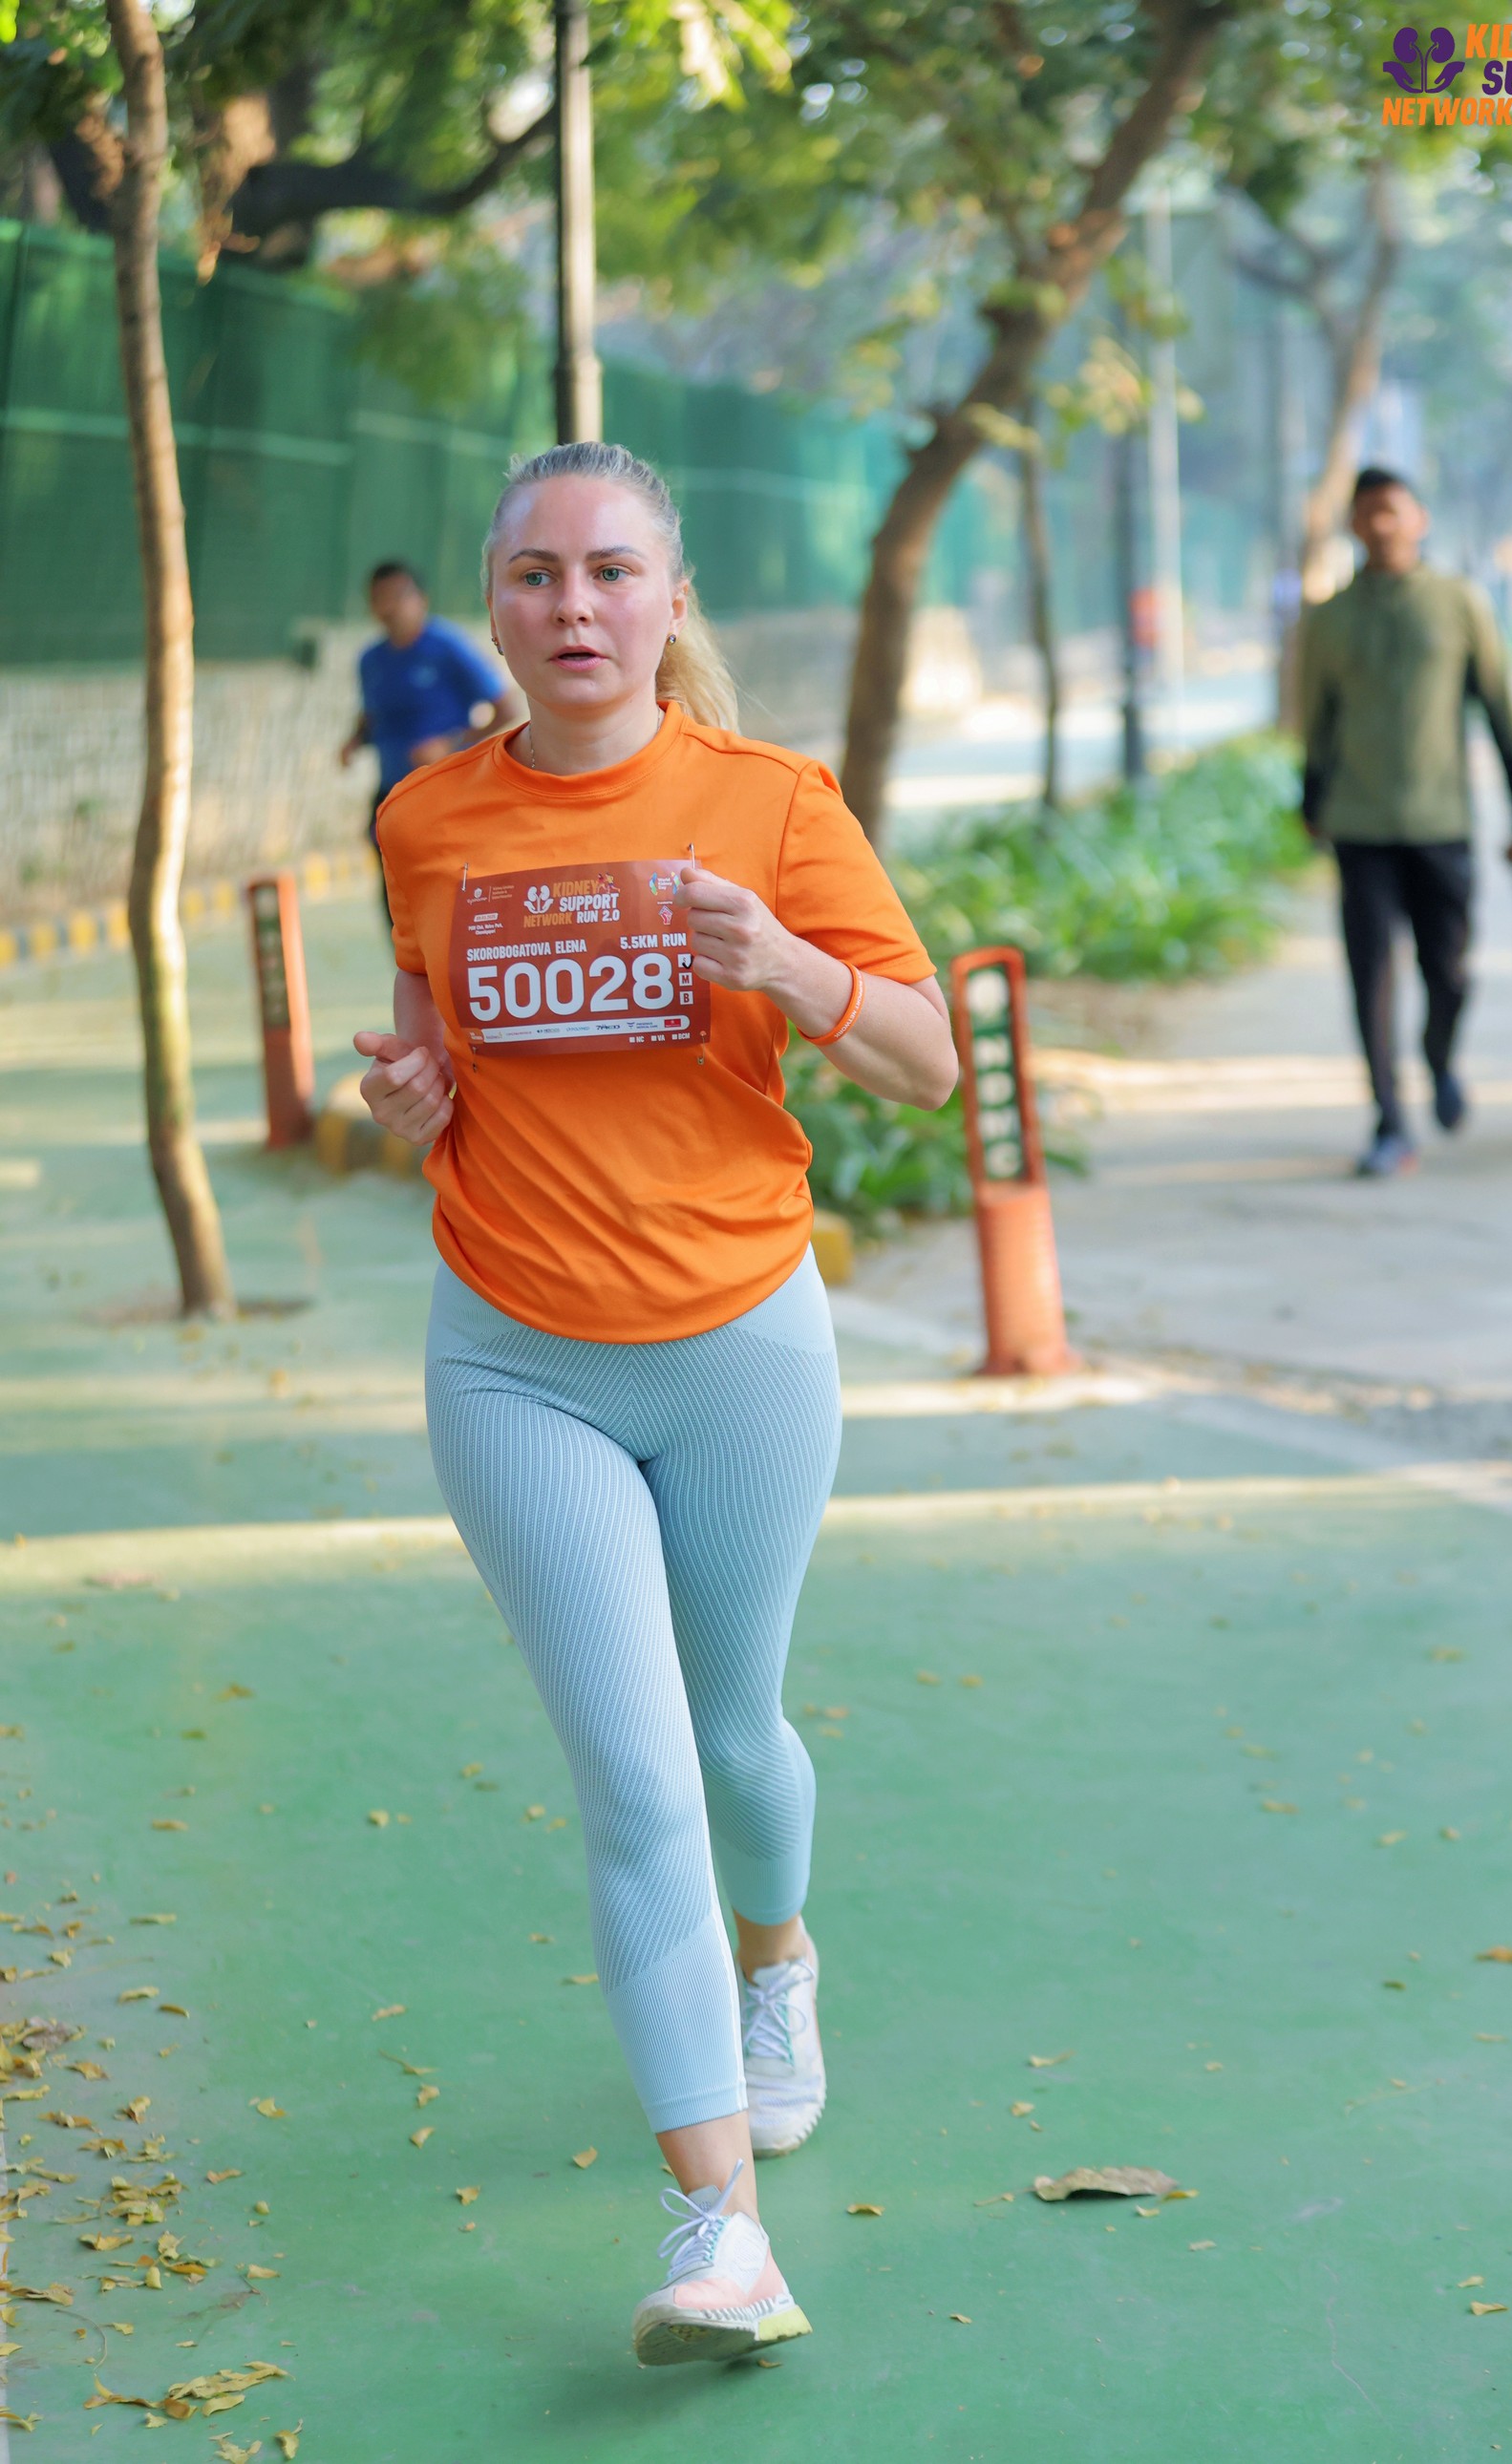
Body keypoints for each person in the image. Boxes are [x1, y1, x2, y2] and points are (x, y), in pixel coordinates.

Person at [351, 443, 957, 2368]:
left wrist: (783, 963)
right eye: (535, 575)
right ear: (492, 604)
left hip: (738, 1343)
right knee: (634, 1780)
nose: (574, 606)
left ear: (670, 600)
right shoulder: (424, 818)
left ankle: (780, 1962)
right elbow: (432, 1051)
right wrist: (406, 1101)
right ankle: (721, 2230)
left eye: (612, 571)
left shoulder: (772, 805)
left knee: (735, 1736)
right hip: (512, 1351)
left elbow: (930, 1061)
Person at [1299, 466, 1512, 1178]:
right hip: (1360, 824)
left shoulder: (1458, 604)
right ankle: (1389, 1122)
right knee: (1370, 973)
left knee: (1450, 972)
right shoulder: (1330, 618)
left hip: (1441, 821)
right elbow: (1316, 723)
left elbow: (1499, 707)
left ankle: (1439, 1057)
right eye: (1368, 512)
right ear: (1352, 523)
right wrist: (1311, 803)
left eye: (1393, 511)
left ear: (1419, 520)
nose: (1381, 524)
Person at [338, 561, 522, 920]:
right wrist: (353, 742)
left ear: (420, 599)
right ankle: (405, 951)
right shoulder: (371, 660)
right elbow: (371, 716)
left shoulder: (446, 647)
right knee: (395, 887)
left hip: (445, 790)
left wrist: (450, 745)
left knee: (448, 885)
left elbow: (507, 708)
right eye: (379, 598)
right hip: (392, 793)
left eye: (398, 596)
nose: (389, 607)